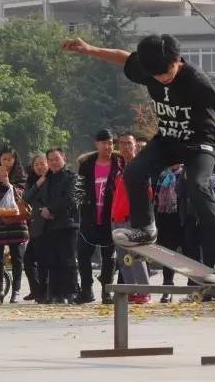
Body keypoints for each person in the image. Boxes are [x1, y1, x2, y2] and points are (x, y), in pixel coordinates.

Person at [62, 33, 215, 284]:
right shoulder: (147, 66)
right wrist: (89, 48)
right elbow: (124, 57)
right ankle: (144, 229)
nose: (163, 78)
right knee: (132, 172)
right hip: (167, 140)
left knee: (198, 186)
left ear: (178, 60)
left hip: (199, 143)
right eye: (157, 76)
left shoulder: (196, 81)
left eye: (168, 72)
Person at [26, 148, 79, 304]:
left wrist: (51, 209)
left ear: (64, 158)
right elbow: (29, 198)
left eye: (57, 159)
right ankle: (55, 293)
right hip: (49, 225)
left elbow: (70, 199)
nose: (54, 162)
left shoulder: (72, 177)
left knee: (68, 260)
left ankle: (71, 292)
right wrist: (44, 210)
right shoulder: (46, 179)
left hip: (67, 224)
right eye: (51, 160)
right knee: (52, 261)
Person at [75, 129, 122, 304]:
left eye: (110, 143)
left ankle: (106, 292)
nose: (107, 146)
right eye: (104, 143)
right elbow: (78, 189)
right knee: (83, 254)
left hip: (111, 218)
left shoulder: (119, 162)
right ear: (97, 144)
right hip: (90, 217)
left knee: (109, 257)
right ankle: (86, 290)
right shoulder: (87, 164)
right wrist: (83, 206)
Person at [0, 147, 29, 304]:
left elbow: (23, 195)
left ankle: (15, 291)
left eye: (10, 159)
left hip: (15, 219)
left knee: (17, 257)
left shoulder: (20, 175)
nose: (7, 162)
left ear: (15, 160)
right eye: (4, 159)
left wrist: (9, 184)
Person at [113, 132, 151, 303]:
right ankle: (131, 291)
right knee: (124, 259)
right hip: (117, 218)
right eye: (122, 143)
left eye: (129, 143)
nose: (126, 146)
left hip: (134, 218)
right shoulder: (120, 168)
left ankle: (145, 292)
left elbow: (148, 193)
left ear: (135, 145)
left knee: (136, 256)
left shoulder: (141, 166)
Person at [154, 165, 186, 302]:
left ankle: (194, 287)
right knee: (167, 255)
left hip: (183, 218)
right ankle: (167, 287)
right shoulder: (162, 175)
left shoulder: (186, 173)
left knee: (191, 253)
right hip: (165, 219)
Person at [24, 154, 49, 302]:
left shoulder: (53, 179)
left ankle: (44, 291)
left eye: (42, 163)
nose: (40, 166)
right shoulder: (33, 181)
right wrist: (38, 183)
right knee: (28, 260)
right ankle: (36, 289)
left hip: (49, 225)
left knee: (43, 260)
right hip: (36, 225)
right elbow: (26, 198)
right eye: (36, 164)